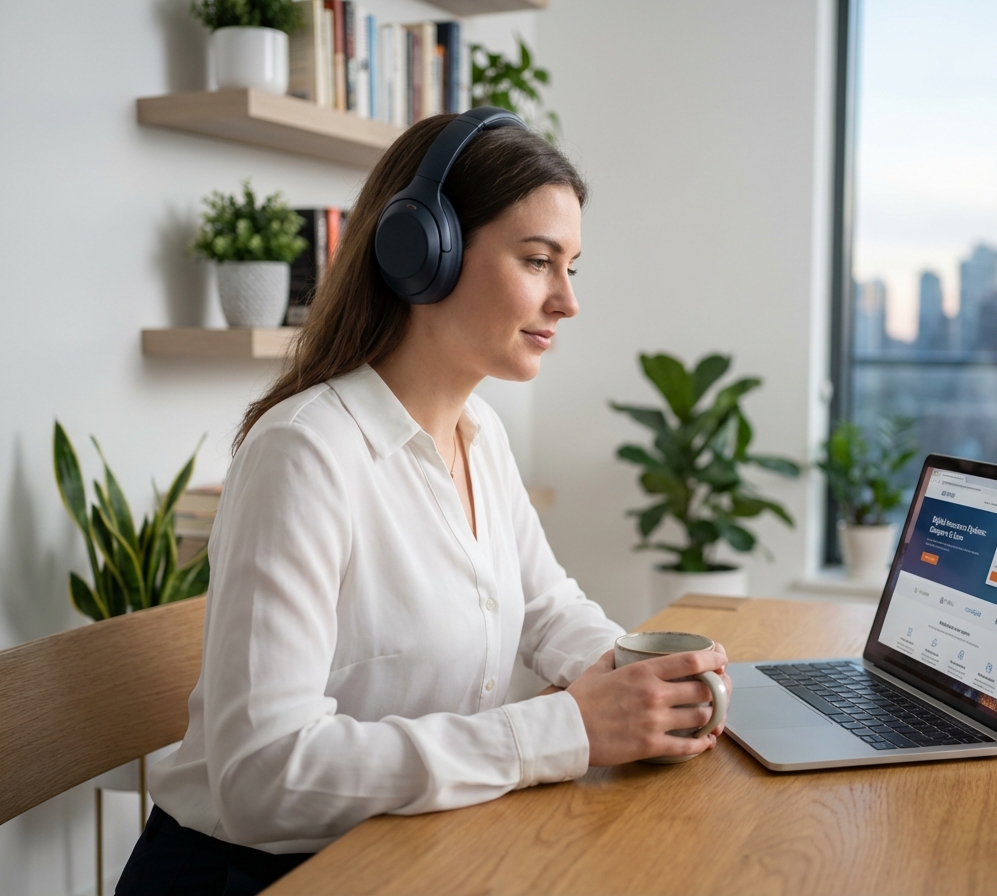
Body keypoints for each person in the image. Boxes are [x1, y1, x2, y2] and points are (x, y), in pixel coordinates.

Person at [117, 112, 731, 896]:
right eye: (539, 261)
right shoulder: (305, 454)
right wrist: (564, 731)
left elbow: (546, 609)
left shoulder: (481, 435)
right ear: (422, 253)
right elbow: (263, 777)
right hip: (256, 876)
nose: (568, 300)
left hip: (403, 857)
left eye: (573, 266)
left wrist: (646, 683)